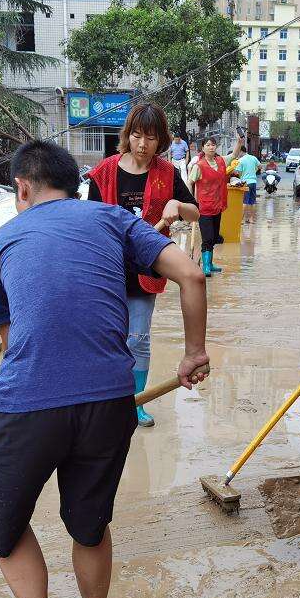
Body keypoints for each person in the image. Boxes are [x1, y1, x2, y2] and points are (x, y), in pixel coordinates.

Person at [0, 140, 208, 598]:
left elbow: (15, 348)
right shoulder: (111, 219)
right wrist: (194, 352)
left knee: (4, 527)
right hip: (109, 399)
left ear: (22, 189)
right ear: (75, 186)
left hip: (27, 403)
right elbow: (191, 275)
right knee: (89, 523)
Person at [87, 103, 200, 427]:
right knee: (106, 336)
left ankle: (134, 403)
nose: (142, 144)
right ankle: (106, 400)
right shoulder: (105, 172)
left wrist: (177, 204)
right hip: (107, 269)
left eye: (150, 137)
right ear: (128, 136)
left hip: (144, 271)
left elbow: (196, 213)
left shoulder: (166, 174)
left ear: (160, 140)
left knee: (137, 337)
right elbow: (89, 220)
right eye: (136, 135)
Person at [189, 132, 243, 277]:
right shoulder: (198, 166)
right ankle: (205, 266)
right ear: (203, 148)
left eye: (213, 144)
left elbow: (234, 155)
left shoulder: (221, 161)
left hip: (217, 206)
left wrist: (239, 142)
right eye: (208, 145)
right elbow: (190, 182)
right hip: (204, 208)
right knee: (207, 238)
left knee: (213, 237)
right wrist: (191, 202)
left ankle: (210, 263)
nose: (211, 147)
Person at [235, 148, 262, 223]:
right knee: (252, 202)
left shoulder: (241, 160)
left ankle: (241, 220)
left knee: (245, 202)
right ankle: (251, 219)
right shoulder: (253, 158)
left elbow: (238, 173)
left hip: (246, 183)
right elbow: (260, 167)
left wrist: (241, 177)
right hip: (253, 182)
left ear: (240, 151)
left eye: (238, 152)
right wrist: (254, 171)